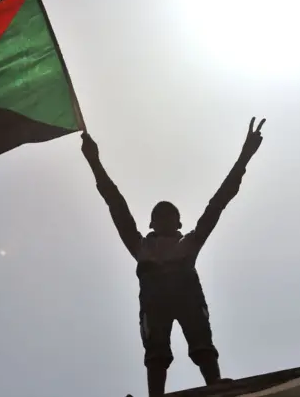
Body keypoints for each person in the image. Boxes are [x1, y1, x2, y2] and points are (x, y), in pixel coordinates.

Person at [81, 118, 266, 396]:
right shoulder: (141, 246)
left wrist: (245, 156)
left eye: (171, 217)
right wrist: (94, 162)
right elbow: (115, 202)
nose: (165, 220)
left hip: (188, 299)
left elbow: (219, 202)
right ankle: (156, 392)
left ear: (178, 224)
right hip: (155, 304)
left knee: (200, 336)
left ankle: (212, 381)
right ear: (152, 223)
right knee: (156, 346)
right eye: (160, 216)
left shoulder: (189, 243)